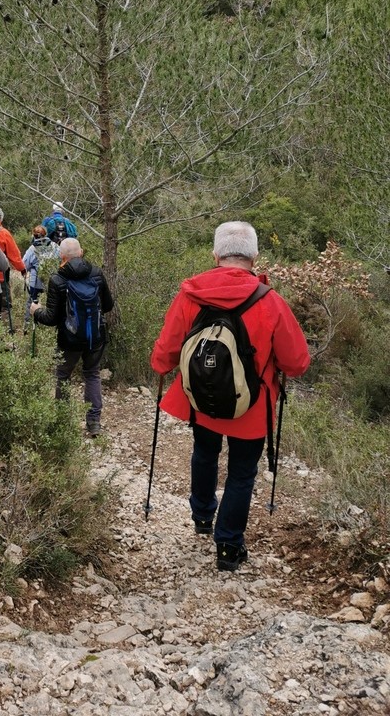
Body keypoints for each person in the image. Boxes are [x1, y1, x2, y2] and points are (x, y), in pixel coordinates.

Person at [150, 220, 310, 572]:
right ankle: (228, 546)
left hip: (201, 401)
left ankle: (203, 517)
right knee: (241, 473)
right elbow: (296, 362)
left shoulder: (190, 295)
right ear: (254, 258)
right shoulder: (271, 302)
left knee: (204, 453)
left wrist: (161, 366)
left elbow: (166, 349)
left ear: (215, 255)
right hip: (250, 407)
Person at [30, 237, 114, 436]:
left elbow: (51, 318)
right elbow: (108, 306)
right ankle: (93, 423)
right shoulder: (97, 274)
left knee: (63, 376)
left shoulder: (58, 280)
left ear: (62, 256)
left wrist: (36, 311)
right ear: (81, 252)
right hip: (95, 336)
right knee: (92, 374)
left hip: (69, 339)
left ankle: (62, 421)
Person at [21, 225, 60, 331]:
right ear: (46, 234)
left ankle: (29, 327)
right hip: (52, 282)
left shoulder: (32, 248)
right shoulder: (55, 246)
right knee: (52, 304)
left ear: (34, 235)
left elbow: (24, 264)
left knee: (32, 302)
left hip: (36, 283)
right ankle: (49, 328)